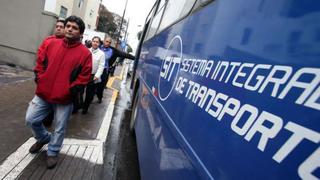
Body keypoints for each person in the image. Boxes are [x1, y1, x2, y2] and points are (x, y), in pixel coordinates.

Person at [25, 15, 92, 169]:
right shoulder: (51, 43)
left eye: (74, 28)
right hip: (43, 94)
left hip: (64, 99)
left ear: (81, 33)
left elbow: (83, 77)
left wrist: (70, 91)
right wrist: (40, 79)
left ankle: (53, 152)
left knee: (59, 128)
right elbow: (40, 63)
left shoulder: (85, 54)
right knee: (31, 119)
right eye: (68, 25)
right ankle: (43, 138)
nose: (69, 29)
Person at [37, 19, 66, 127]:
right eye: (57, 26)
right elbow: (40, 58)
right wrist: (39, 76)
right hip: (45, 79)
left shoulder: (67, 43)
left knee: (53, 102)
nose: (58, 28)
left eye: (61, 27)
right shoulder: (48, 40)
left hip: (58, 81)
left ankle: (48, 120)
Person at [96, 37, 135, 103]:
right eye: (106, 41)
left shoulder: (113, 51)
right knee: (91, 87)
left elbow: (124, 54)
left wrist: (135, 58)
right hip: (95, 70)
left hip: (105, 71)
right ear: (103, 41)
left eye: (109, 42)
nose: (108, 43)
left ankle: (99, 97)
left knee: (100, 87)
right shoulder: (98, 47)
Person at [82, 36, 105, 114]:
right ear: (91, 42)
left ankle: (85, 108)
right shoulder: (86, 51)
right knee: (80, 91)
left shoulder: (101, 54)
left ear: (99, 44)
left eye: (97, 42)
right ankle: (79, 105)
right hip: (84, 74)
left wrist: (97, 75)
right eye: (94, 41)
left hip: (93, 76)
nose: (95, 43)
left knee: (89, 93)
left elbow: (101, 66)